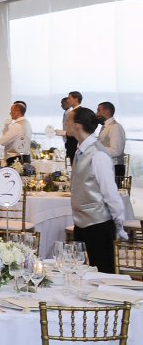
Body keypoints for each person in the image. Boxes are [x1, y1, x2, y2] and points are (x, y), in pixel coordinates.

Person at [70, 106, 127, 274]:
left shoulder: (98, 154)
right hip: (81, 222)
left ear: (78, 125)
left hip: (98, 224)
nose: (66, 124)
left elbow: (110, 193)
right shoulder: (81, 150)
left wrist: (119, 225)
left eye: (69, 120)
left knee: (103, 275)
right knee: (82, 273)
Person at [96, 101, 127, 181]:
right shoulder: (105, 127)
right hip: (106, 166)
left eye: (98, 110)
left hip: (114, 168)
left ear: (107, 111)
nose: (96, 114)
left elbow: (116, 151)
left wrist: (96, 149)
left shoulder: (115, 127)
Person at [62, 91, 81, 164]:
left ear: (76, 99)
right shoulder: (72, 111)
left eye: (69, 98)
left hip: (75, 142)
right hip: (70, 141)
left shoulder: (79, 112)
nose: (67, 100)